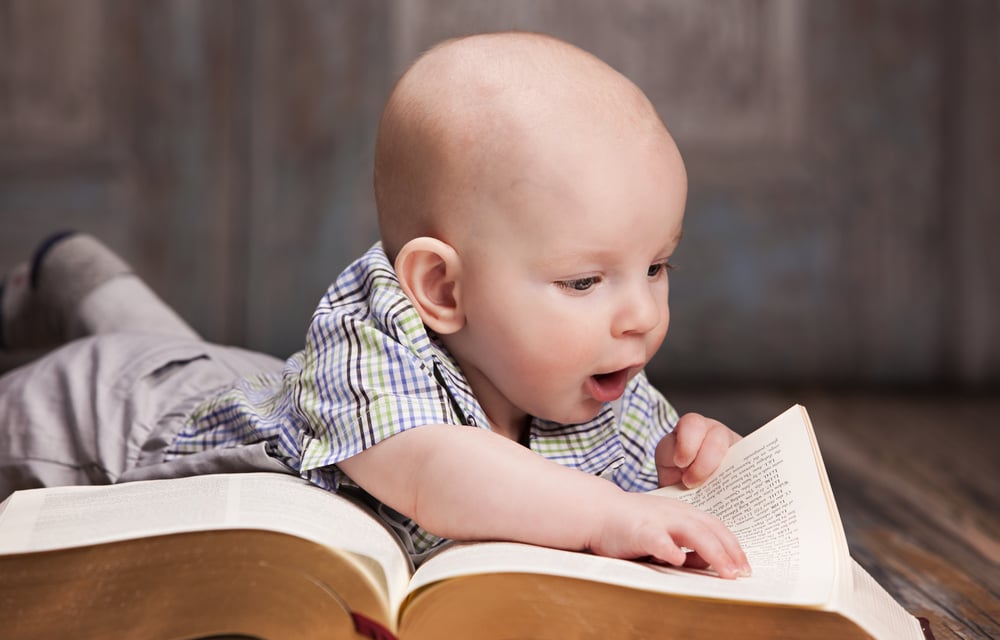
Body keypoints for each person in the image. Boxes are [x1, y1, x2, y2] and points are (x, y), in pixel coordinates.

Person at [0, 32, 751, 578]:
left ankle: (73, 274)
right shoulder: (368, 332)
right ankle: (69, 279)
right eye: (585, 282)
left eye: (656, 266)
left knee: (179, 351)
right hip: (109, 418)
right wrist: (611, 515)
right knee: (145, 365)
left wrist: (677, 465)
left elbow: (643, 485)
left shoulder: (593, 369)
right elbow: (439, 474)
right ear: (441, 289)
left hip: (245, 380)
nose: (642, 316)